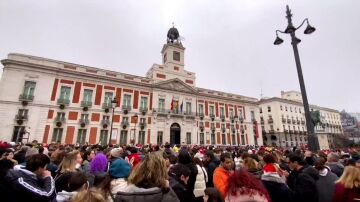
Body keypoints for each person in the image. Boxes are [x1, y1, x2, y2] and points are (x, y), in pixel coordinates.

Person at [115, 153, 179, 201]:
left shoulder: (122, 194)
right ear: (162, 172)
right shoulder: (168, 196)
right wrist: (167, 189)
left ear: (139, 169)